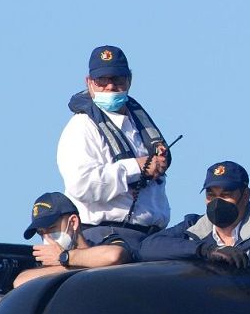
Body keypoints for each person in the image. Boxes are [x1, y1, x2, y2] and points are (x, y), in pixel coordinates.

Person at [139, 161, 250, 299]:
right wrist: (207, 250)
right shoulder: (192, 228)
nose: (217, 202)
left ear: (246, 195)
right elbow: (147, 247)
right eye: (211, 195)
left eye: (226, 195)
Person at [57, 45, 172, 252]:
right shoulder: (82, 127)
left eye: (117, 79)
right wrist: (137, 167)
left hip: (151, 238)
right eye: (102, 80)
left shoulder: (139, 125)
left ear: (129, 80)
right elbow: (81, 184)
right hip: (104, 236)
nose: (110, 86)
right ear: (89, 83)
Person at [14, 192, 131, 288]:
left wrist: (64, 257)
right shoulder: (49, 262)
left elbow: (114, 256)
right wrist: (72, 265)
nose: (46, 237)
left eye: (51, 228)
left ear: (73, 222)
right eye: (41, 233)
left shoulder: (107, 242)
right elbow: (21, 281)